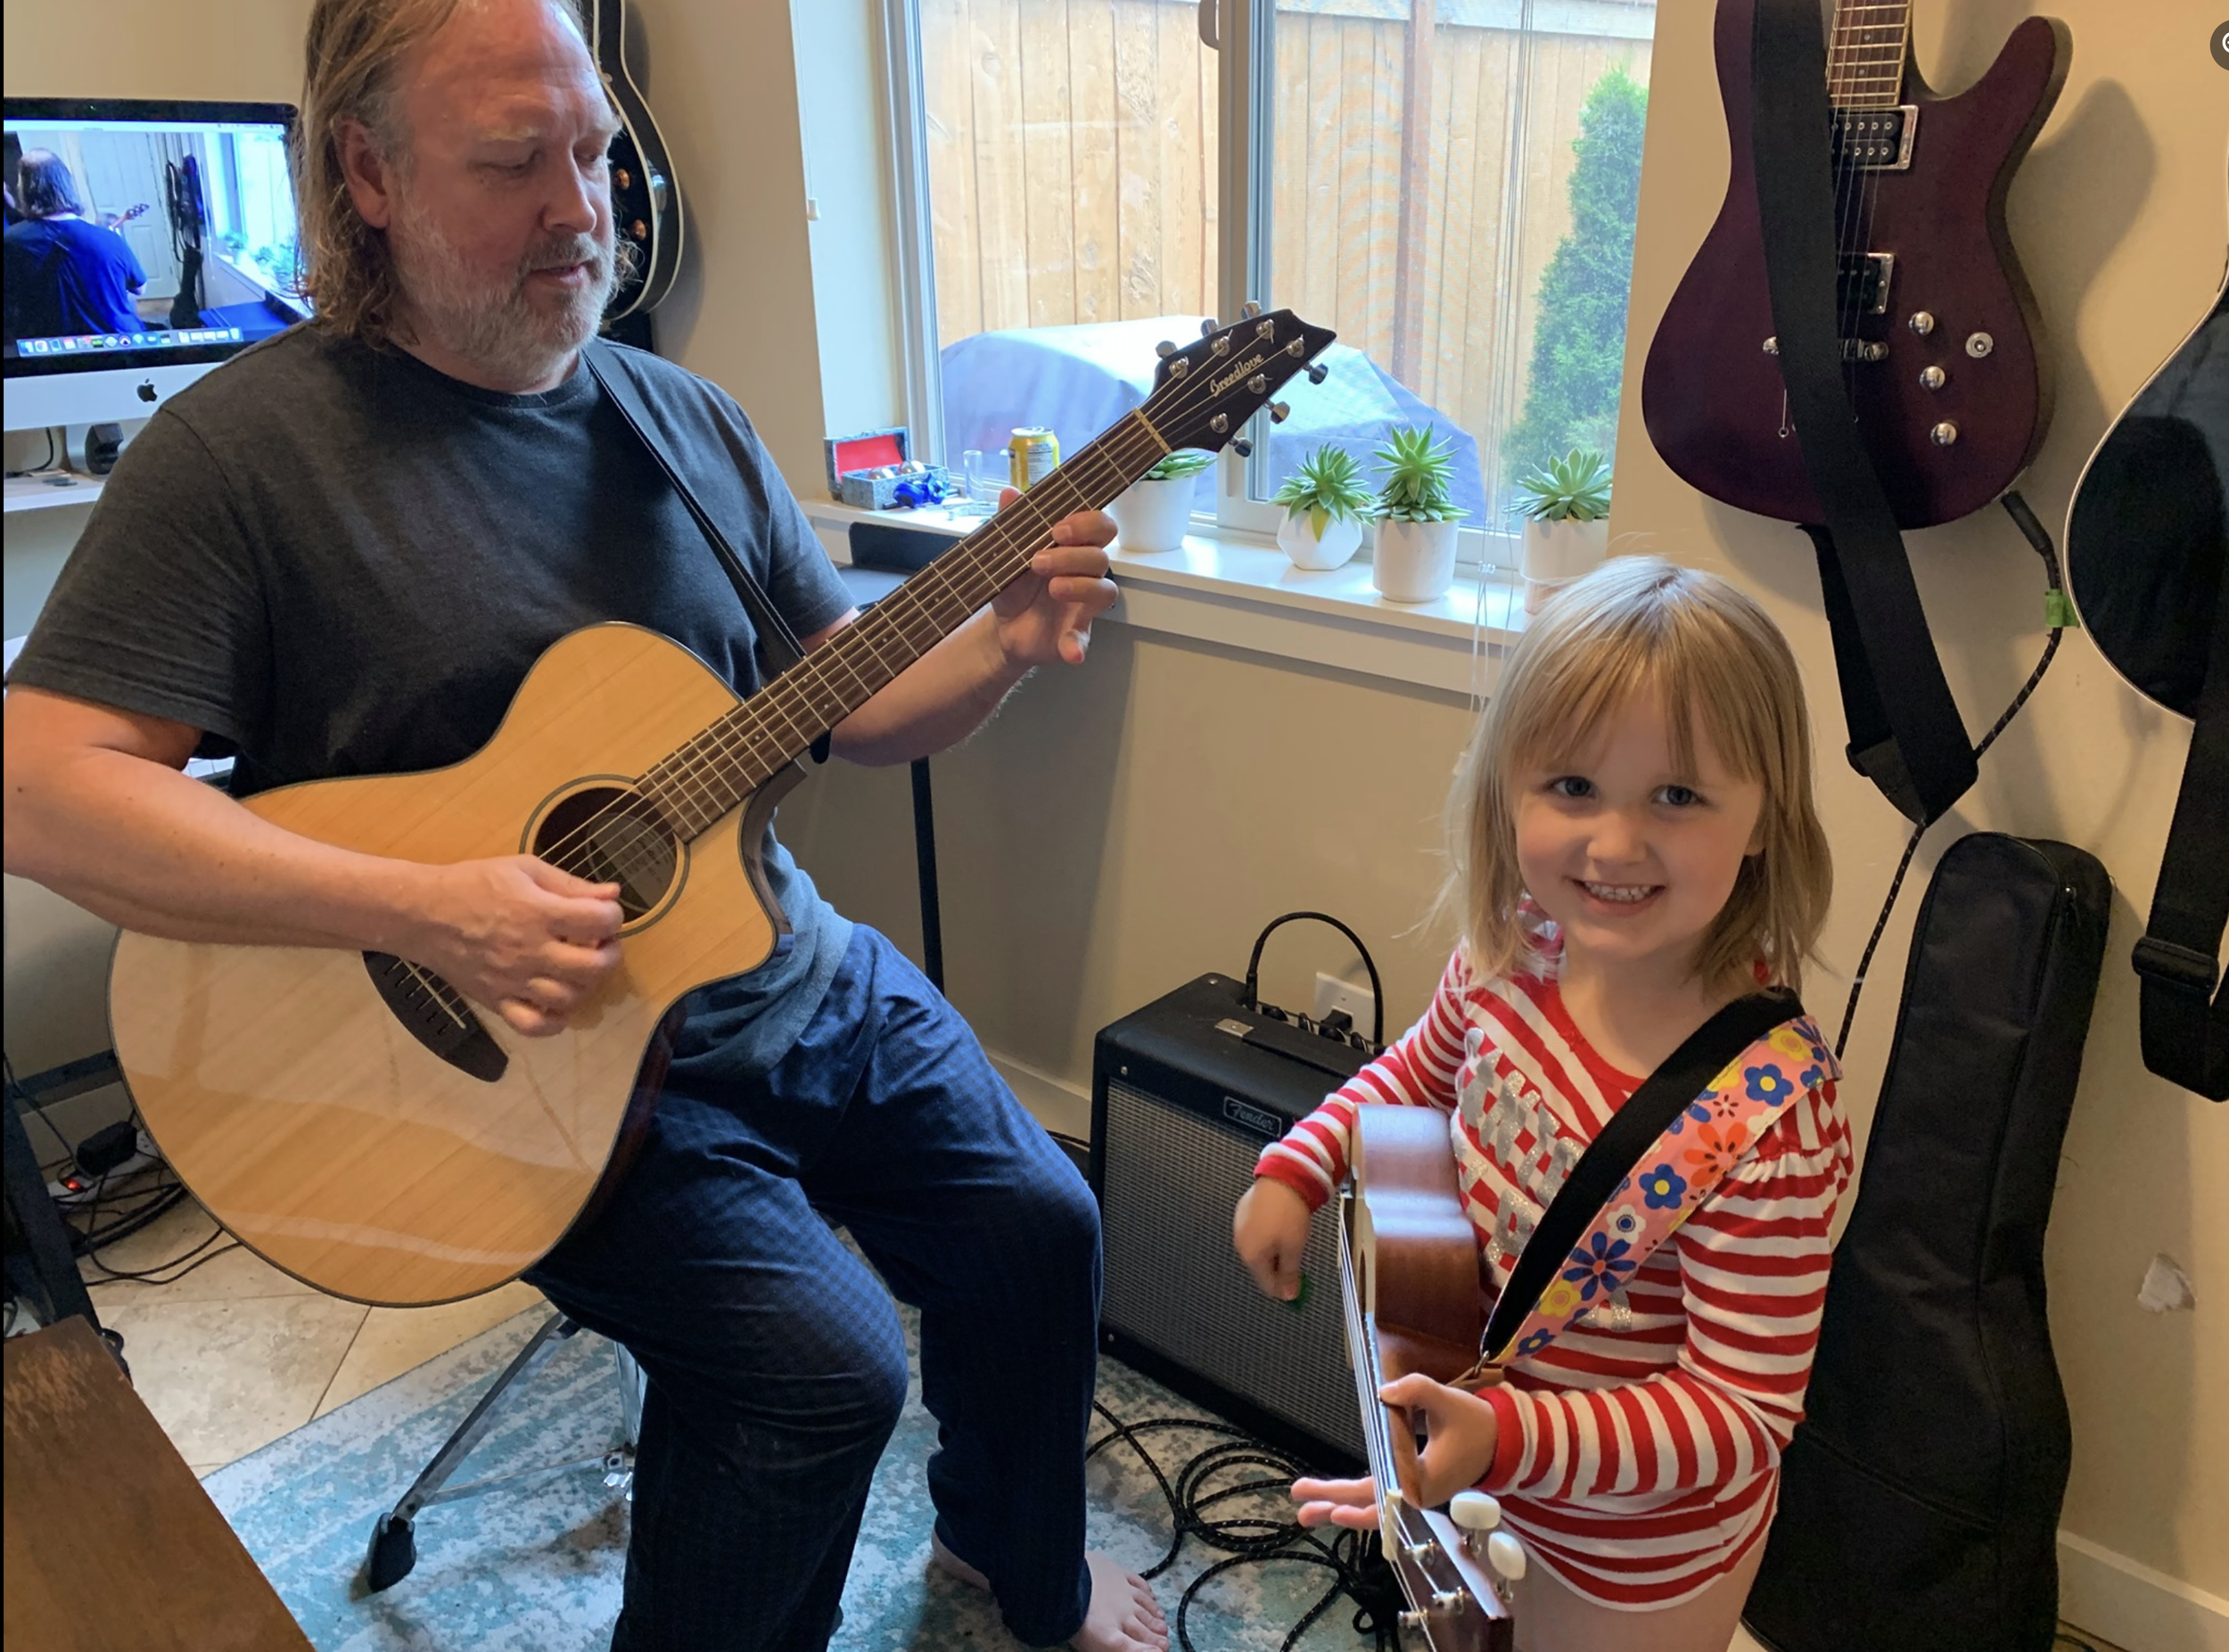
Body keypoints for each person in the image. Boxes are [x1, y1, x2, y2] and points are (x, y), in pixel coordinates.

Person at [0, 1, 1168, 1649]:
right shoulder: (245, 457)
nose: (584, 206)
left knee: (1041, 1223)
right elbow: (39, 785)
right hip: (515, 1063)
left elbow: (840, 695)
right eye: (512, 161)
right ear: (370, 174)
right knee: (819, 1366)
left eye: (597, 152)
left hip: (781, 970)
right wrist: (422, 908)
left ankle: (1006, 1557)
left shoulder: (678, 420)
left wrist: (1001, 652)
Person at [1231, 557, 1850, 1652]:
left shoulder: (1765, 1119)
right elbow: (1412, 1078)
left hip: (1635, 1554)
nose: (1613, 843)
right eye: (1571, 787)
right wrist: (1302, 1160)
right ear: (1506, 788)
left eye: (1677, 794)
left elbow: (1741, 1412)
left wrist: (1508, 1436)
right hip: (1485, 1453)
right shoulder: (1513, 950)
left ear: (1762, 818)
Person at [3, 150, 148, 341]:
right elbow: (140, 288)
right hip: (118, 349)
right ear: (66, 185)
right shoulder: (108, 238)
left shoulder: (9, 242)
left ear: (25, 192)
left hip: (49, 355)